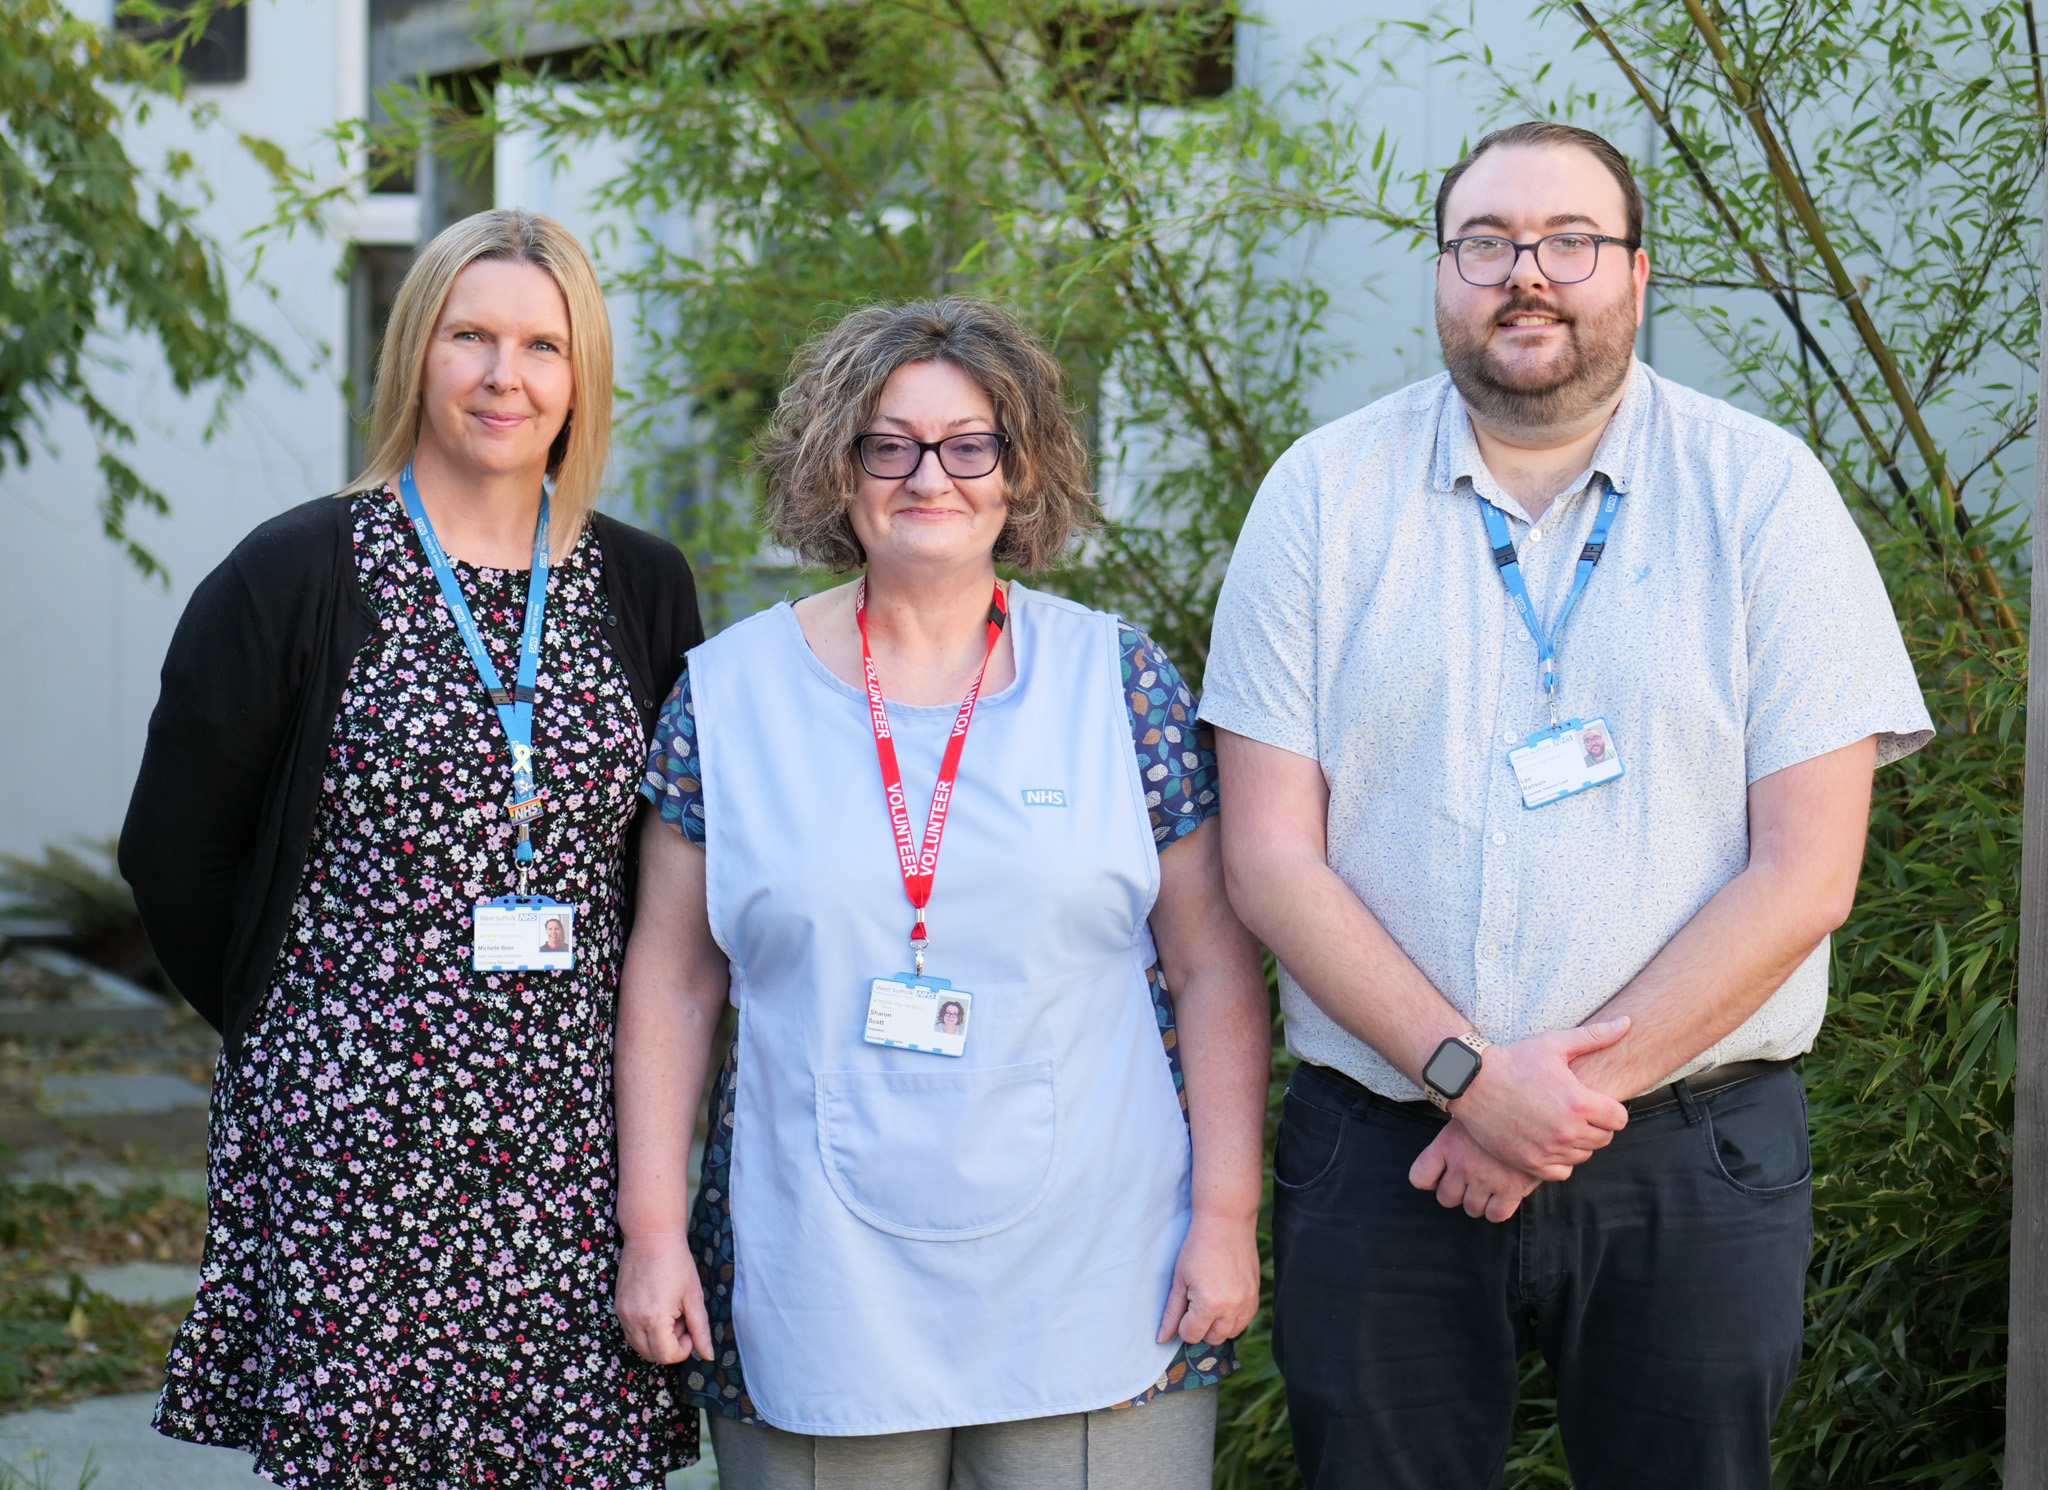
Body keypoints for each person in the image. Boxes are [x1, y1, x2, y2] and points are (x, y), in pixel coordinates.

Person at [1199, 121, 1933, 1490]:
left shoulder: (1767, 496)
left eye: (1568, 242)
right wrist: (1472, 1080)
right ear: (1440, 274)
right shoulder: (1319, 497)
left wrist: (1552, 1103)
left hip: (1691, 1154)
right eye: (1486, 242)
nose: (1526, 273)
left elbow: (1807, 874)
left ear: (1637, 275)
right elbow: (1269, 858)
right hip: (1387, 1150)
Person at [614, 296, 1270, 1489]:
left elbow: (1212, 963)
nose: (932, 475)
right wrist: (651, 1233)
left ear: (1021, 472)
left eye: (971, 443)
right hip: (813, 1263)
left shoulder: (1117, 682)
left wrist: (1226, 1213)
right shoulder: (727, 695)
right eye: (890, 443)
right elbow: (671, 975)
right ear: (838, 464)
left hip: (1101, 1266)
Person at [120, 209, 704, 1485]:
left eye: (543, 345)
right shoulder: (297, 573)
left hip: (573, 1141)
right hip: (354, 1132)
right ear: (415, 353)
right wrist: (302, 1025)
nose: (507, 377)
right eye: (471, 337)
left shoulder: (642, 584)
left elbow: (666, 869)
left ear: (581, 373)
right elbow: (173, 851)